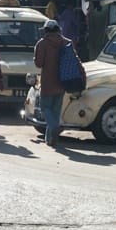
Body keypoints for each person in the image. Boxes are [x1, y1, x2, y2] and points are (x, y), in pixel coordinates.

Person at [34, 19, 84, 147]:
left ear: (45, 31)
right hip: (63, 81)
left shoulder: (43, 44)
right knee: (55, 111)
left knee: (45, 107)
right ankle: (50, 139)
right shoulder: (67, 43)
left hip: (47, 82)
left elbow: (38, 63)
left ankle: (54, 127)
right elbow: (76, 60)